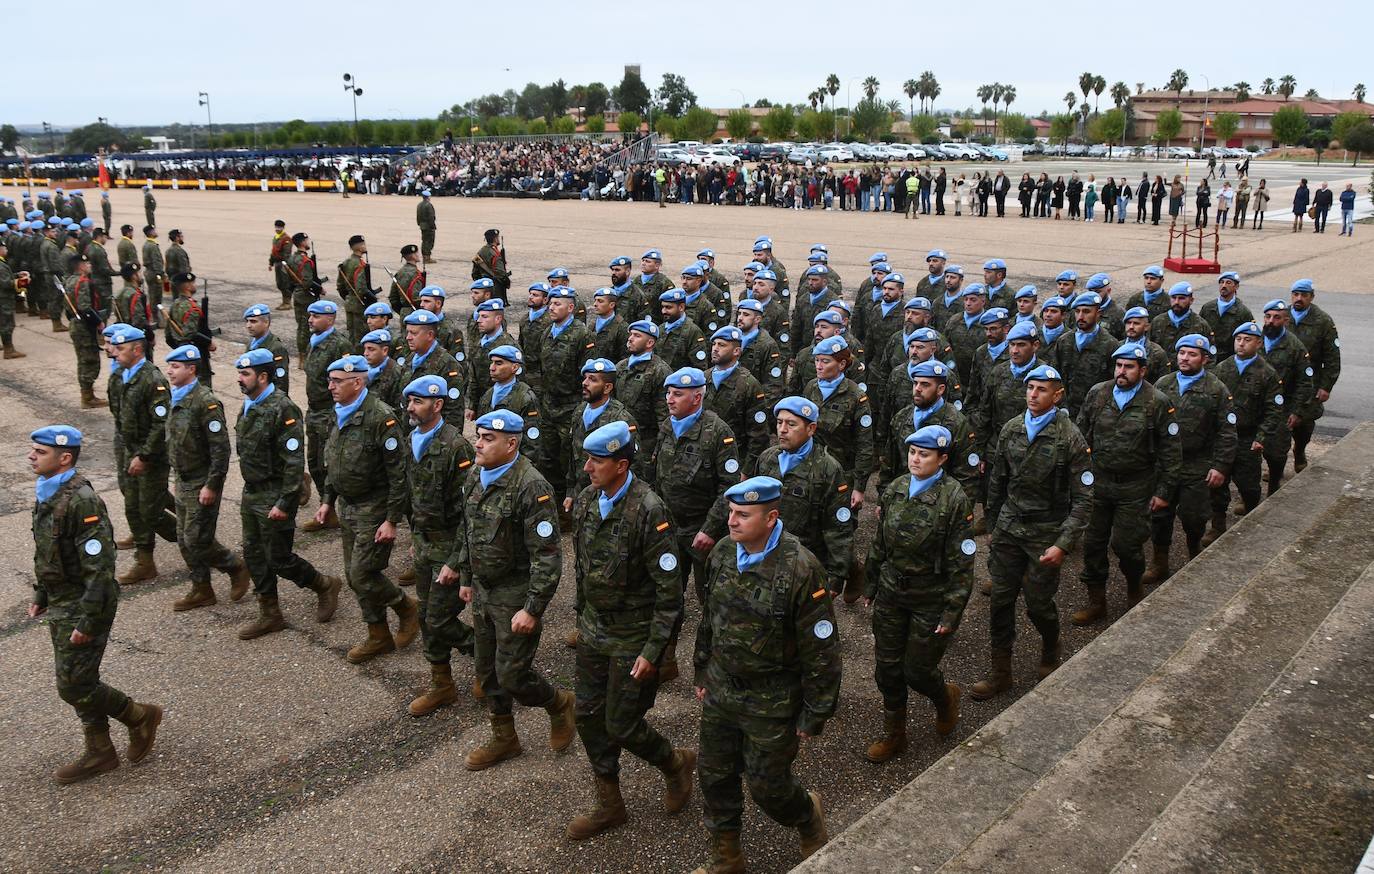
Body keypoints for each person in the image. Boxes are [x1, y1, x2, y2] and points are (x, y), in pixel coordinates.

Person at [690, 476, 840, 873]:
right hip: (722, 687)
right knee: (714, 775)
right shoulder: (723, 553)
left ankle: (808, 816)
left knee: (768, 787)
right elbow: (710, 619)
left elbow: (821, 649)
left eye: (743, 515)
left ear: (771, 517)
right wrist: (702, 670)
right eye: (731, 513)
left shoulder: (802, 569)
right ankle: (726, 857)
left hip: (772, 697)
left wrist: (815, 711)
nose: (732, 522)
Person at [565, 420, 694, 840]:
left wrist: (654, 649)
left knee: (622, 723)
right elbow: (583, 568)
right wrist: (581, 617)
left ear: (621, 465)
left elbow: (669, 592)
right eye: (587, 459)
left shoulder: (650, 510)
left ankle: (675, 763)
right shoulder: (586, 500)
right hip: (594, 631)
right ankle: (610, 804)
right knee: (586, 715)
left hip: (633, 636)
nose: (587, 468)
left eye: (596, 461)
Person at [27, 425, 163, 784]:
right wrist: (42, 594)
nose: (31, 456)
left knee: (73, 685)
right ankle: (101, 751)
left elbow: (100, 569)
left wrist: (88, 622)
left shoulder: (82, 500)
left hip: (86, 602)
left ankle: (138, 716)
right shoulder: (49, 491)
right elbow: (49, 549)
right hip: (61, 599)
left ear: (65, 458)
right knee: (80, 678)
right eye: (34, 450)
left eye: (40, 452)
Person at [458, 409, 577, 771]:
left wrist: (533, 607)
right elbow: (469, 530)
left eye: (488, 438)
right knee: (486, 671)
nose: (478, 444)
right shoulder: (476, 475)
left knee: (512, 674)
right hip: (483, 587)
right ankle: (505, 738)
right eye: (478, 436)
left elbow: (548, 555)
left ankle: (558, 702)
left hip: (515, 591)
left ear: (512, 443)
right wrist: (466, 577)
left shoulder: (531, 486)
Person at [972, 364, 1093, 699]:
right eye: (1030, 388)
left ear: (1057, 395)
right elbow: (996, 484)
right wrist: (993, 527)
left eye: (1042, 389)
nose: (1034, 394)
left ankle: (1051, 646)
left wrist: (1064, 544)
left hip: (1045, 530)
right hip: (1011, 528)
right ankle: (1001, 671)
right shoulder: (1012, 429)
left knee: (1038, 604)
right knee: (1000, 601)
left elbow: (1084, 497)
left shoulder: (1069, 436)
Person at [864, 424, 975, 762]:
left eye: (924, 454)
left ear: (941, 459)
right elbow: (880, 542)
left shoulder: (954, 498)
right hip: (891, 593)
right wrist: (870, 584)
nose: (915, 459)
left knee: (918, 670)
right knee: (887, 668)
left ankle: (945, 698)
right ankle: (895, 734)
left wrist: (952, 611)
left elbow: (962, 561)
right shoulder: (896, 488)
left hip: (931, 596)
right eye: (912, 452)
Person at [231, 348, 341, 639]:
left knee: (279, 558)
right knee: (254, 554)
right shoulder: (249, 403)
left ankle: (324, 584)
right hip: (251, 491)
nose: (240, 380)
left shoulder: (283, 408)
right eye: (239, 374)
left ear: (263, 376)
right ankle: (270, 613)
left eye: (245, 374)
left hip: (274, 492)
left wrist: (285, 501)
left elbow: (294, 461)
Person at [1072, 343, 1182, 624]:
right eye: (1119, 366)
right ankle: (1096, 601)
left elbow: (1171, 451)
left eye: (1129, 367)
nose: (1122, 372)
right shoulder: (1098, 393)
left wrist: (1164, 491)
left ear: (1142, 370)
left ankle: (1134, 588)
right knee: (1093, 544)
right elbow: (1081, 437)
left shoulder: (1157, 402)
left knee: (1127, 545)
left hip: (1136, 486)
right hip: (1098, 483)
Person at [651, 366, 739, 681]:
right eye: (668, 393)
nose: (669, 399)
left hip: (703, 532)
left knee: (712, 599)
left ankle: (716, 665)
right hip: (670, 530)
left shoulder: (718, 432)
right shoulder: (666, 427)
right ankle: (665, 660)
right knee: (667, 594)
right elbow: (657, 478)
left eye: (677, 394)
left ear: (697, 396)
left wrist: (711, 529)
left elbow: (728, 489)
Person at [399, 374, 479, 715]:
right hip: (425, 542)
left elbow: (467, 513)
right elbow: (412, 496)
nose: (411, 408)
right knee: (426, 614)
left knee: (440, 618)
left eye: (418, 402)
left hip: (449, 546)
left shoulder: (455, 447)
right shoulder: (411, 439)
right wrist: (416, 537)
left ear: (438, 405)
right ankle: (441, 684)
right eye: (410, 402)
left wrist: (456, 561)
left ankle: (485, 654)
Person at [162, 344, 251, 611]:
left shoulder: (206, 402)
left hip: (201, 479)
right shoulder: (176, 395)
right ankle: (202, 588)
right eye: (169, 366)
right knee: (183, 537)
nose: (169, 371)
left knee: (196, 538)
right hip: (182, 477)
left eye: (175, 367)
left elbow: (220, 448)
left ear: (192, 369)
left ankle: (234, 566)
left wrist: (212, 484)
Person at [1142, 334, 1236, 586]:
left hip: (1197, 464)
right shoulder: (1163, 383)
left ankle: (1194, 556)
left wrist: (1220, 466)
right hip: (1164, 464)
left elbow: (1227, 432)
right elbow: (1148, 423)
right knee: (1160, 517)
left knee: (1194, 518)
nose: (1184, 358)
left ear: (1204, 359)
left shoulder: (1216, 389)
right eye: (1182, 353)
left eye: (1192, 354)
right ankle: (1160, 561)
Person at [109, 326, 178, 584]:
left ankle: (194, 540)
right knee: (133, 508)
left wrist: (145, 456)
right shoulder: (120, 376)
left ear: (137, 350)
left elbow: (161, 425)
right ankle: (145, 562)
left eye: (121, 348)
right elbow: (119, 414)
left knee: (152, 511)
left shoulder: (153, 380)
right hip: (131, 451)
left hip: (152, 457)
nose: (114, 353)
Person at [1205, 323, 1283, 542]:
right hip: (1222, 436)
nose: (1241, 343)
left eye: (1247, 339)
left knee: (1248, 484)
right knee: (1217, 483)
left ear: (1258, 343)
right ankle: (1217, 524)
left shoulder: (1267, 373)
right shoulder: (1222, 368)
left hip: (1248, 437)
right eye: (1238, 339)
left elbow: (1273, 410)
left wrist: (1262, 438)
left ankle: (1250, 517)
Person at [299, 301, 350, 531]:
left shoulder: (339, 345)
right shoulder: (315, 342)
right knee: (314, 462)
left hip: (330, 411)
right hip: (314, 410)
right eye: (310, 315)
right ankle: (326, 510)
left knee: (328, 463)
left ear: (330, 318)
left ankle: (333, 509)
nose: (310, 320)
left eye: (316, 316)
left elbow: (349, 381)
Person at [1257, 299, 1314, 495]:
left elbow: (1304, 382)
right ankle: (1251, 492)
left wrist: (1297, 411)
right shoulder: (1253, 340)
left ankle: (1274, 485)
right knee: (1248, 454)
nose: (1271, 321)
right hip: (1253, 405)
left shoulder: (1295, 347)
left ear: (1286, 321)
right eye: (1268, 317)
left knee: (1276, 452)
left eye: (1276, 318)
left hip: (1282, 407)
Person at [1288, 279, 1340, 473]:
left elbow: (1332, 357)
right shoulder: (1281, 316)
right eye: (1296, 294)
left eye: (1304, 295)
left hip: (1310, 383)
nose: (1299, 298)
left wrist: (1326, 386)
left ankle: (1299, 451)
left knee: (1304, 425)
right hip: (1283, 382)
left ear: (1311, 297)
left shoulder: (1323, 321)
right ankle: (1276, 459)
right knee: (1278, 424)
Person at [1200, 272, 1254, 360]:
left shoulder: (1243, 312)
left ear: (1236, 287)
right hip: (1208, 358)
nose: (1224, 285)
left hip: (1230, 359)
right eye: (1221, 282)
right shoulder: (1207, 308)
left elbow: (1251, 338)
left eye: (1228, 283)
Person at [0, 235, 26, 358]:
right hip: (4, 299)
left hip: (4, 298)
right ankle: (8, 350)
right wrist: (22, 282)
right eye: (4, 248)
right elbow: (5, 283)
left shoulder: (2, 263)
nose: (6, 250)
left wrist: (16, 275)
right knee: (7, 324)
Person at [472, 228, 511, 303]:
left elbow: (475, 272)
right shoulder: (494, 253)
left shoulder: (481, 251)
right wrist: (506, 281)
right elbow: (500, 273)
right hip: (495, 286)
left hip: (484, 285)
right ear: (495, 239)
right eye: (497, 237)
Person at [416, 189, 437, 264]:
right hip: (428, 226)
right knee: (429, 242)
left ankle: (425, 257)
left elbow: (418, 216)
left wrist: (419, 223)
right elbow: (431, 217)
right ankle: (427, 258)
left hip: (422, 225)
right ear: (428, 197)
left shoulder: (419, 204)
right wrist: (433, 226)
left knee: (424, 241)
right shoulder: (428, 205)